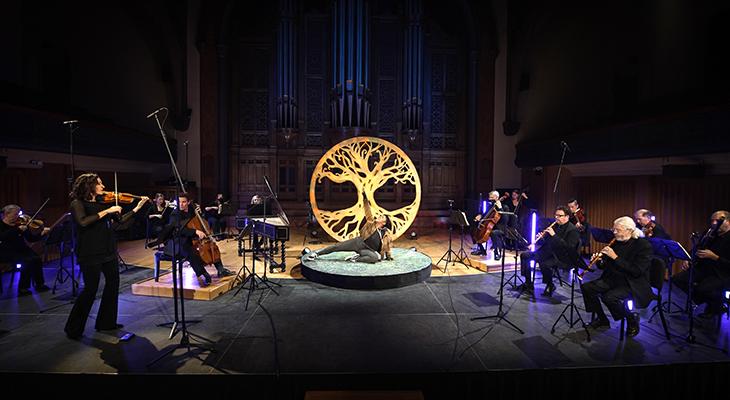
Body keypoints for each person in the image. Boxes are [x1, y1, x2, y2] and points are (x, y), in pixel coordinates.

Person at [64, 173, 150, 339]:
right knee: (90, 289)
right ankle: (73, 328)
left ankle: (106, 322)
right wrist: (107, 211)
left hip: (107, 250)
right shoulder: (78, 203)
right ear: (90, 186)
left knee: (113, 284)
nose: (103, 187)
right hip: (90, 252)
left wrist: (137, 208)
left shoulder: (102, 203)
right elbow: (83, 222)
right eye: (100, 184)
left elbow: (121, 222)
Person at [581, 216, 653, 337]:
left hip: (632, 283)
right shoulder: (617, 241)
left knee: (608, 297)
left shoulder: (643, 246)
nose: (614, 232)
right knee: (587, 288)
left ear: (629, 230)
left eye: (617, 230)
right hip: (613, 278)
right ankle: (602, 319)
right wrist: (599, 261)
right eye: (613, 229)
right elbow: (605, 266)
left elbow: (637, 271)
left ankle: (631, 319)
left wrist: (615, 257)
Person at [163, 192, 233, 287]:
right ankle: (202, 274)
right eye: (179, 202)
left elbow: (200, 221)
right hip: (180, 240)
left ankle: (221, 269)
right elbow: (179, 230)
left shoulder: (192, 210)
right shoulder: (175, 214)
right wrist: (195, 232)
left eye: (184, 202)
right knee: (191, 252)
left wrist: (200, 213)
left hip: (194, 239)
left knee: (212, 246)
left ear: (188, 202)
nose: (181, 204)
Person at [673, 210, 730, 318]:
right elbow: (697, 247)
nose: (713, 223)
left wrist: (715, 257)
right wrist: (688, 258)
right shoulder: (710, 233)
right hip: (704, 268)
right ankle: (711, 302)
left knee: (703, 289)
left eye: (717, 221)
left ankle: (714, 308)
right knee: (678, 279)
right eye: (712, 221)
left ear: (728, 222)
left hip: (722, 272)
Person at [305, 194, 392, 263]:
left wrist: (388, 256)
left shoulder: (386, 234)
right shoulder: (371, 223)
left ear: (384, 223)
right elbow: (368, 211)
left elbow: (387, 247)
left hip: (367, 250)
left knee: (374, 258)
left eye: (382, 217)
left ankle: (355, 259)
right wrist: (365, 200)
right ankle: (316, 254)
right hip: (358, 242)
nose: (380, 216)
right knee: (337, 246)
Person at [518, 206, 581, 297]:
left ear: (567, 217)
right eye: (556, 215)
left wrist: (554, 235)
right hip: (547, 252)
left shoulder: (573, 230)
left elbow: (568, 247)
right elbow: (549, 241)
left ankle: (550, 284)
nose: (556, 217)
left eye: (560, 215)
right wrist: (543, 237)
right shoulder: (556, 226)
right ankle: (528, 283)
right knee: (524, 255)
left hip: (561, 256)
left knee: (544, 263)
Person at [0, 204, 51, 296]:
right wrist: (17, 230)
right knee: (26, 261)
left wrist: (42, 234)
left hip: (22, 249)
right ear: (7, 214)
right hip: (6, 251)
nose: (18, 217)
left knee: (36, 259)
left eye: (18, 214)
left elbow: (31, 238)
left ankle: (40, 284)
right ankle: (23, 288)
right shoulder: (2, 225)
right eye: (15, 214)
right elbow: (3, 237)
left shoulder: (21, 224)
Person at [471, 191, 508, 260]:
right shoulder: (491, 206)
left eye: (491, 197)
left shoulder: (504, 207)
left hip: (500, 227)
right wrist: (480, 216)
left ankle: (497, 253)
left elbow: (505, 220)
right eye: (489, 197)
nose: (490, 199)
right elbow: (485, 215)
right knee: (474, 228)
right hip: (490, 226)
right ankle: (481, 250)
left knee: (493, 233)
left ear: (497, 198)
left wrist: (500, 208)